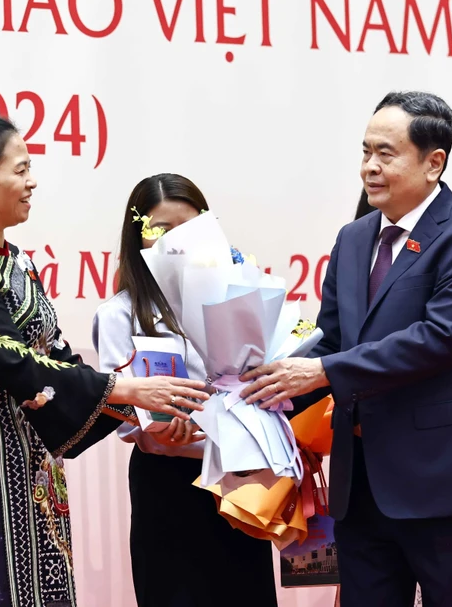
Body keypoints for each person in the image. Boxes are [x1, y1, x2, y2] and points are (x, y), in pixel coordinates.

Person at [0, 115, 208, 607]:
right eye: (21, 169)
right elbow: (18, 364)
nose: (32, 182)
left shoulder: (17, 259)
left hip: (33, 464)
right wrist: (126, 390)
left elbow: (58, 356)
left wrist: (145, 407)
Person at [240, 91, 452, 606]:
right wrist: (250, 397)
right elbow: (331, 339)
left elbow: (440, 338)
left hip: (444, 483)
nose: (370, 167)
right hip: (360, 485)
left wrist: (322, 372)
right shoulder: (353, 238)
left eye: (386, 154)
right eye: (365, 152)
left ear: (434, 162)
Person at [92, 173, 278, 607]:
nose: (175, 243)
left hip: (237, 481)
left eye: (188, 228)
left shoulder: (239, 298)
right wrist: (153, 430)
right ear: (138, 238)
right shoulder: (120, 314)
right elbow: (121, 407)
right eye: (161, 230)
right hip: (169, 487)